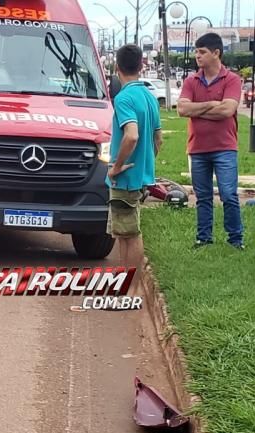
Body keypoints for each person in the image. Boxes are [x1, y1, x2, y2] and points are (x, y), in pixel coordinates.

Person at [177, 33, 244, 250]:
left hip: (225, 147)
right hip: (197, 148)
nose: (198, 56)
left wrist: (198, 109)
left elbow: (227, 110)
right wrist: (212, 103)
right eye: (196, 51)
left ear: (216, 53)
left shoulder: (232, 79)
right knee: (203, 196)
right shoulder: (191, 80)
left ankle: (235, 239)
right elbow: (182, 109)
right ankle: (203, 238)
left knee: (228, 194)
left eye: (202, 52)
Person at [105, 44, 162, 268]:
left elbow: (131, 136)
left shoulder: (123, 99)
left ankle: (129, 289)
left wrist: (117, 166)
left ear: (117, 67)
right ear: (141, 66)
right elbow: (158, 140)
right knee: (125, 232)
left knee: (129, 234)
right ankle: (129, 286)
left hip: (124, 178)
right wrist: (145, 164)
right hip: (141, 176)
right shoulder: (149, 97)